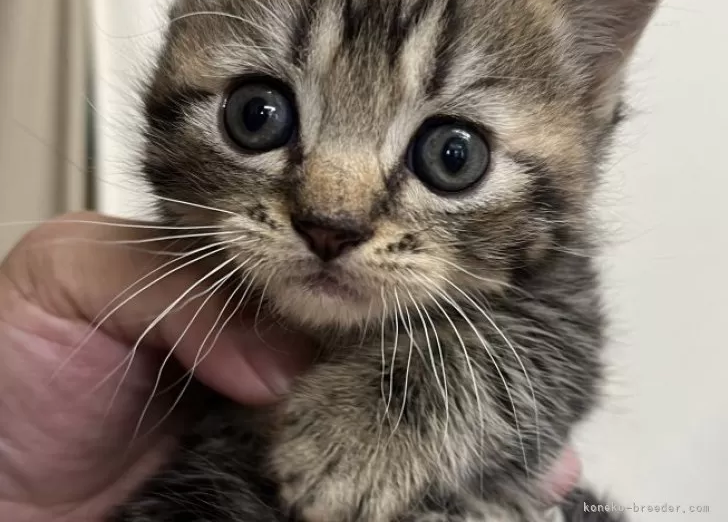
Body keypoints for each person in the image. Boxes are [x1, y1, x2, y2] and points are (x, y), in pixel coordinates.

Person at [0, 213, 581, 522]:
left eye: (452, 156)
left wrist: (414, 402)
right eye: (261, 116)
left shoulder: (532, 305)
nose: (333, 213)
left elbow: (561, 346)